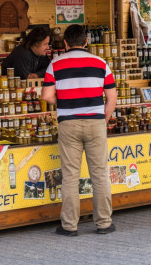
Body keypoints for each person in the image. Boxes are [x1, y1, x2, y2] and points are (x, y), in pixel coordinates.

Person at [41, 24, 117, 236]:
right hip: (95, 123)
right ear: (86, 42)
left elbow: (47, 96)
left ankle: (69, 226)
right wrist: (103, 119)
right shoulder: (101, 63)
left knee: (70, 176)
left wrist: (65, 103)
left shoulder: (55, 64)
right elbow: (112, 98)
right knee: (100, 174)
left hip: (69, 124)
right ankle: (104, 223)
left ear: (65, 43)